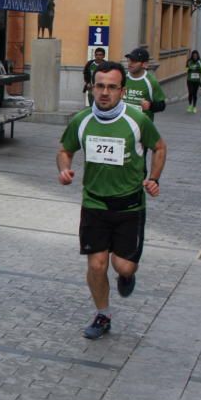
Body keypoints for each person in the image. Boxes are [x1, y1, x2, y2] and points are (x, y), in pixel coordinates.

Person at [58, 61, 166, 339]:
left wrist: (153, 178)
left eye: (111, 87)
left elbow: (160, 146)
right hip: (94, 204)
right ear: (92, 87)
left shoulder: (137, 120)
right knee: (96, 265)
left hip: (130, 206)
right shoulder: (81, 120)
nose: (105, 92)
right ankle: (103, 315)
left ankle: (128, 276)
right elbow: (65, 150)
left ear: (122, 90)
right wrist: (64, 168)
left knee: (123, 266)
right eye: (100, 86)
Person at [123, 47, 166, 122]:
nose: (130, 64)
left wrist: (150, 106)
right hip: (124, 123)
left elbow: (162, 105)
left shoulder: (151, 81)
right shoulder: (122, 78)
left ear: (144, 64)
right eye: (129, 60)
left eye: (135, 61)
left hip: (142, 125)